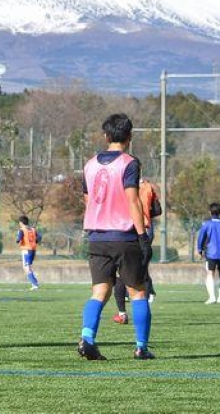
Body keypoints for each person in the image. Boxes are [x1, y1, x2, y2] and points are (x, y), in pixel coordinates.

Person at [77, 113, 154, 361]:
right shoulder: (129, 163)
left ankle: (87, 339)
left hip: (97, 237)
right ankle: (141, 347)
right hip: (124, 236)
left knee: (99, 291)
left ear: (106, 136)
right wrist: (142, 236)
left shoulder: (89, 164)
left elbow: (88, 199)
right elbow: (133, 200)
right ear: (130, 136)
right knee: (138, 292)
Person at [113, 180, 160, 324]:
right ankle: (148, 294)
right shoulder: (148, 187)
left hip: (127, 229)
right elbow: (158, 210)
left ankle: (122, 313)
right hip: (146, 229)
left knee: (120, 271)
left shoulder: (121, 185)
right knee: (141, 267)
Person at [197, 202, 220, 305]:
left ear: (210, 212)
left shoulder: (206, 224)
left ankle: (212, 297)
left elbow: (201, 238)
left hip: (211, 254)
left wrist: (200, 250)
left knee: (210, 273)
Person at [16, 215, 42, 290]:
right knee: (28, 267)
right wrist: (34, 241)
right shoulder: (33, 229)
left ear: (21, 222)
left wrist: (18, 240)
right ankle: (35, 282)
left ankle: (34, 284)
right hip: (33, 250)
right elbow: (40, 237)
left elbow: (18, 240)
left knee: (26, 268)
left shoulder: (22, 230)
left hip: (26, 250)